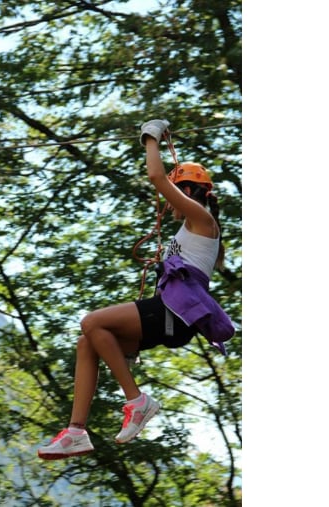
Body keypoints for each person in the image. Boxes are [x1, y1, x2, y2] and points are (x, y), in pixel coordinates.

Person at [36, 119, 235, 460]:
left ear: (186, 192)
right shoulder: (192, 228)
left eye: (175, 193)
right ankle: (76, 431)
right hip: (171, 314)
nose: (167, 203)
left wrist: (150, 137)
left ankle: (137, 401)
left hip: (175, 312)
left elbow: (156, 177)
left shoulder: (202, 219)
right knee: (89, 343)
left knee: (92, 322)